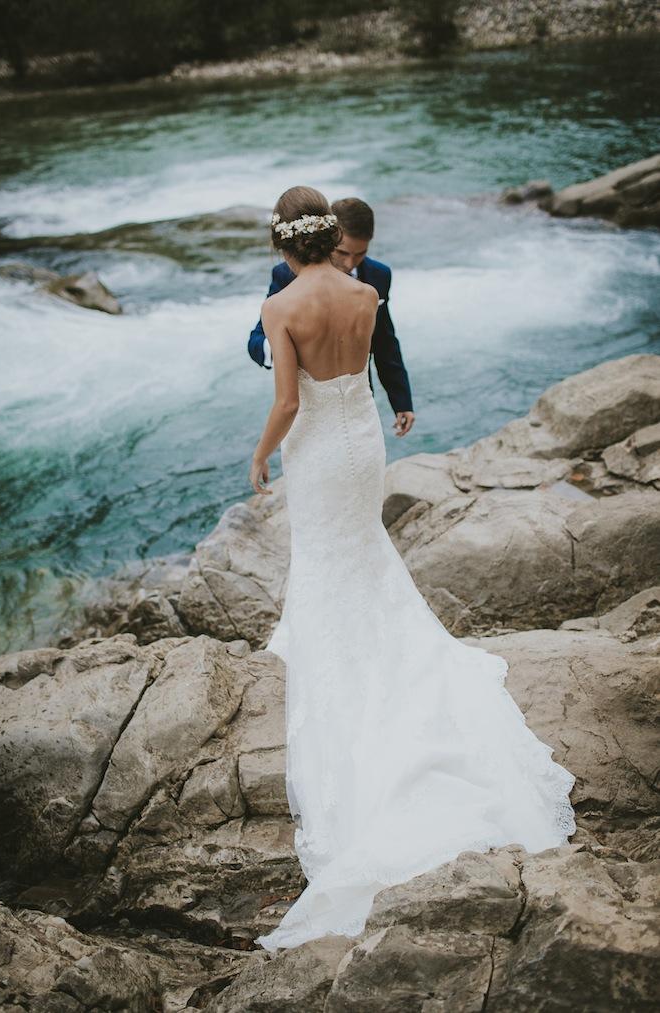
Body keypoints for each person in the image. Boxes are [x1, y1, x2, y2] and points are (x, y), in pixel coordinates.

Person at [249, 186, 576, 953]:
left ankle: (341, 669)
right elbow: (364, 364)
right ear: (330, 233)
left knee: (329, 558)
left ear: (280, 243)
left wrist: (261, 452)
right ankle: (385, 655)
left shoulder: (280, 307)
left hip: (319, 450)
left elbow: (289, 401)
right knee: (361, 549)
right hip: (362, 441)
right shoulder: (365, 291)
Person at [248, 196, 415, 439]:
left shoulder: (378, 275)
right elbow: (256, 340)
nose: (349, 263)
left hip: (358, 402)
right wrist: (289, 349)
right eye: (342, 252)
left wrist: (402, 401)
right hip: (308, 403)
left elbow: (385, 342)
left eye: (360, 254)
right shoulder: (286, 274)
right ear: (328, 240)